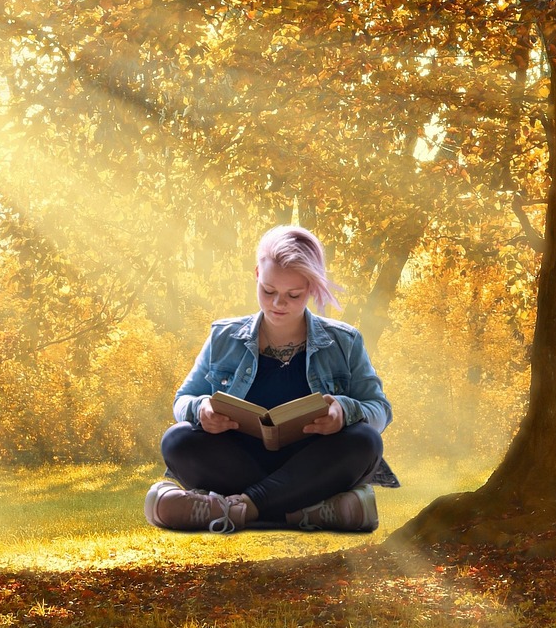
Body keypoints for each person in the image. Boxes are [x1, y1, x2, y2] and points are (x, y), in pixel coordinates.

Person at [145, 225, 392, 534]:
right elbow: (182, 401)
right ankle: (312, 511)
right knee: (178, 439)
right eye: (269, 291)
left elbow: (380, 410)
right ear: (256, 275)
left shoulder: (345, 341)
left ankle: (234, 508)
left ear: (311, 289)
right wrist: (201, 410)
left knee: (365, 441)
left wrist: (344, 412)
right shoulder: (223, 336)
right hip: (239, 462)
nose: (278, 304)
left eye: (293, 295)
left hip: (314, 465)